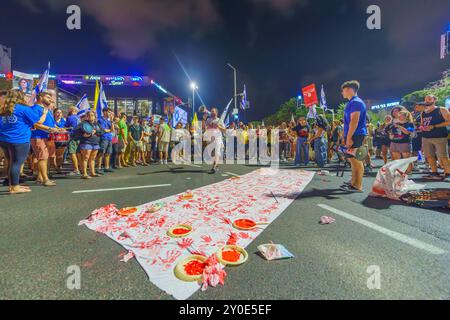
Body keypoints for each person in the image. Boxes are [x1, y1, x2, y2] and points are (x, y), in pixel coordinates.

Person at [0, 89, 50, 194]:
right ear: (20, 97)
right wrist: (45, 113)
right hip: (19, 140)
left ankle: (12, 186)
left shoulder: (4, 109)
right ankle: (15, 187)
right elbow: (38, 121)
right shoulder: (23, 108)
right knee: (16, 164)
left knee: (11, 163)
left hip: (4, 140)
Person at [340, 80, 367, 192]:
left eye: (343, 91)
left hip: (356, 134)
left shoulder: (356, 102)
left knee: (356, 160)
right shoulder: (351, 102)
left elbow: (354, 121)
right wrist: (344, 136)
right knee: (352, 159)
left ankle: (358, 185)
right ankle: (353, 182)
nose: (342, 93)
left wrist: (349, 137)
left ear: (349, 90)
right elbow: (347, 123)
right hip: (352, 134)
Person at [30, 92, 60, 187]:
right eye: (48, 97)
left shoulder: (47, 110)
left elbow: (51, 123)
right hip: (38, 136)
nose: (50, 99)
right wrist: (49, 129)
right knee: (42, 157)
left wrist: (58, 128)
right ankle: (45, 180)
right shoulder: (35, 108)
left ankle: (40, 177)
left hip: (47, 137)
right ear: (40, 97)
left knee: (45, 157)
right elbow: (35, 124)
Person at [421, 95, 450, 181]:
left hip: (440, 136)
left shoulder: (441, 109)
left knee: (443, 156)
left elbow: (449, 121)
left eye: (429, 99)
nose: (427, 101)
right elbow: (423, 124)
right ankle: (434, 173)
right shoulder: (423, 112)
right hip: (426, 137)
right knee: (429, 156)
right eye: (425, 99)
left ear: (434, 100)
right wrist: (422, 127)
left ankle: (448, 173)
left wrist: (434, 126)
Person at [79, 111, 103, 179]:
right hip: (86, 142)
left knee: (93, 158)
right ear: (87, 116)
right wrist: (85, 134)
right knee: (86, 158)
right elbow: (79, 131)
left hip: (95, 143)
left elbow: (102, 131)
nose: (90, 117)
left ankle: (92, 173)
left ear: (95, 116)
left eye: (92, 115)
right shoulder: (83, 123)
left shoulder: (97, 124)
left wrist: (96, 131)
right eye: (89, 115)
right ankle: (84, 174)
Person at [205, 107, 226, 173]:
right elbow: (206, 128)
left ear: (216, 112)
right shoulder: (208, 120)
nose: (211, 112)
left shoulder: (220, 120)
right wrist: (211, 125)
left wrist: (219, 127)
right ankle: (216, 165)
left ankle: (214, 167)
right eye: (211, 111)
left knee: (217, 152)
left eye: (213, 111)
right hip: (210, 138)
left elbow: (224, 130)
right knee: (212, 154)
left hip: (218, 138)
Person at [65, 106, 82, 176]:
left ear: (72, 110)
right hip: (79, 137)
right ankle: (80, 168)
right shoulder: (78, 118)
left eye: (69, 109)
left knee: (72, 153)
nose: (68, 110)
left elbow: (65, 126)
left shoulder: (70, 117)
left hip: (73, 137)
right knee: (78, 153)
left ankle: (76, 169)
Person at [97, 108, 114, 173]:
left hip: (109, 138)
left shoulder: (109, 120)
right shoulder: (100, 120)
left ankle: (106, 167)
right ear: (104, 112)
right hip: (103, 138)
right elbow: (103, 130)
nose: (110, 113)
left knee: (108, 153)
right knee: (101, 153)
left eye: (110, 112)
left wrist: (112, 121)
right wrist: (108, 130)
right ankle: (98, 167)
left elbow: (112, 130)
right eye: (109, 112)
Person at [52, 108, 68, 174]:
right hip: (52, 139)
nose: (59, 114)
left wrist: (65, 130)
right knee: (52, 155)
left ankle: (59, 166)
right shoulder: (51, 120)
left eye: (60, 113)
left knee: (60, 155)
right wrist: (57, 129)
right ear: (54, 113)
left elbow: (67, 128)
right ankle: (54, 167)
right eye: (57, 112)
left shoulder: (64, 120)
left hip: (62, 139)